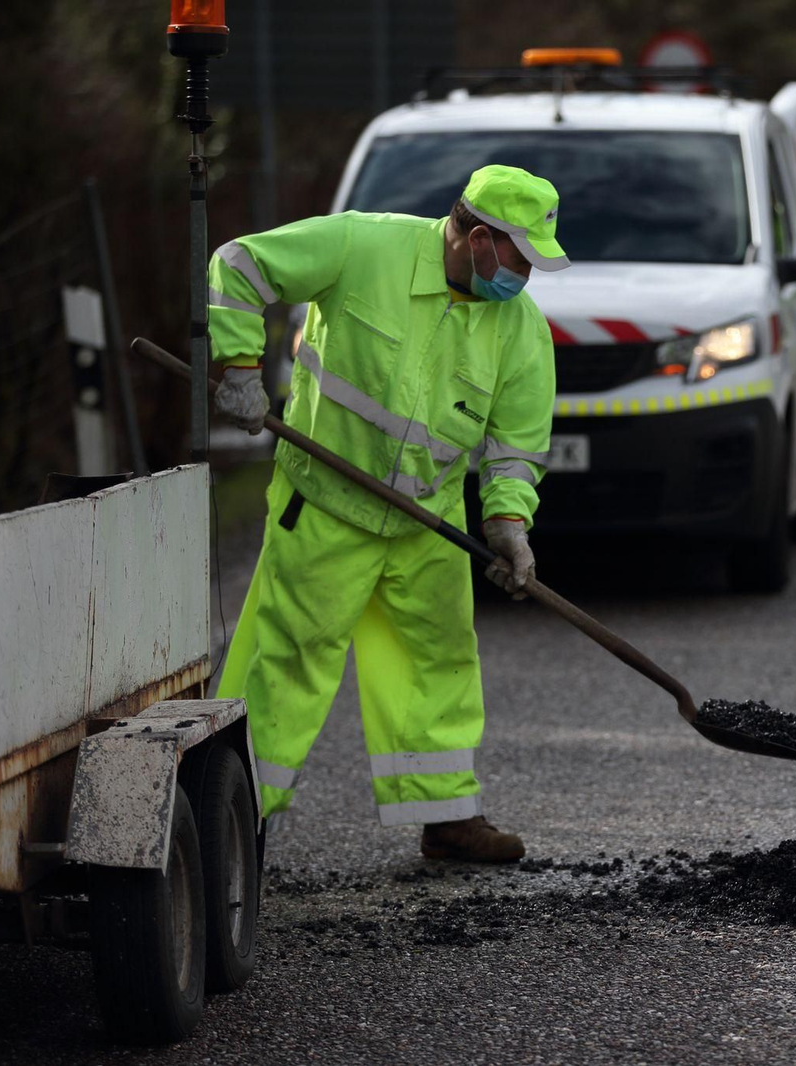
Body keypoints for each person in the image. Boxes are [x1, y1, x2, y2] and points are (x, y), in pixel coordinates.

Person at [206, 165, 567, 862]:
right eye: (521, 257)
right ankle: (233, 824)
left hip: (423, 522)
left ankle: (448, 816)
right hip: (325, 509)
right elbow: (239, 263)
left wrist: (507, 525)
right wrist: (241, 368)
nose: (526, 275)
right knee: (285, 665)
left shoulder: (520, 328)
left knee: (437, 662)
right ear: (479, 238)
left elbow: (516, 446)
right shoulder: (363, 248)